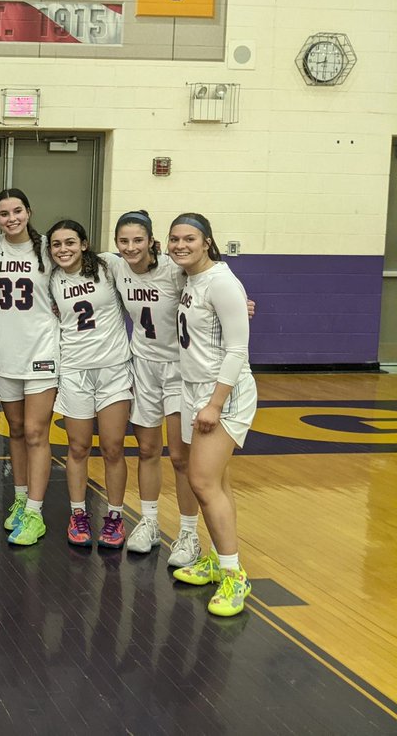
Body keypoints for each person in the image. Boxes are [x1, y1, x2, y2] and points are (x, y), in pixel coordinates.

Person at [169, 213, 257, 617]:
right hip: (195, 390)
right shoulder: (192, 279)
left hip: (223, 394)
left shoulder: (221, 282)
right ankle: (218, 561)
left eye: (190, 238)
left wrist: (215, 403)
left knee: (202, 481)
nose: (181, 245)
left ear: (207, 242)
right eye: (174, 239)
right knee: (217, 482)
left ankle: (234, 574)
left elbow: (238, 350)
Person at [104, 211, 201, 565]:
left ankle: (189, 534)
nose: (131, 247)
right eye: (124, 241)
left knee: (179, 455)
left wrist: (239, 304)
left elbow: (210, 284)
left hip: (179, 368)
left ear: (151, 242)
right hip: (142, 366)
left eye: (138, 240)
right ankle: (149, 522)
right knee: (147, 450)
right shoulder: (114, 267)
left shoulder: (173, 271)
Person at [47, 220, 132, 550]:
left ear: (84, 243)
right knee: (78, 447)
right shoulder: (52, 279)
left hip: (113, 370)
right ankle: (78, 513)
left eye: (70, 242)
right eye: (56, 245)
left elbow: (155, 277)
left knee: (113, 447)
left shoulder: (109, 266)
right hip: (74, 371)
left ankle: (114, 516)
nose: (63, 249)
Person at [0, 188, 58, 547]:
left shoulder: (49, 247)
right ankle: (21, 497)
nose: (11, 218)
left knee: (35, 432)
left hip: (42, 350)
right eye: (3, 213)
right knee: (14, 429)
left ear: (29, 211)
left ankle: (36, 513)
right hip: (5, 353)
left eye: (17, 211)